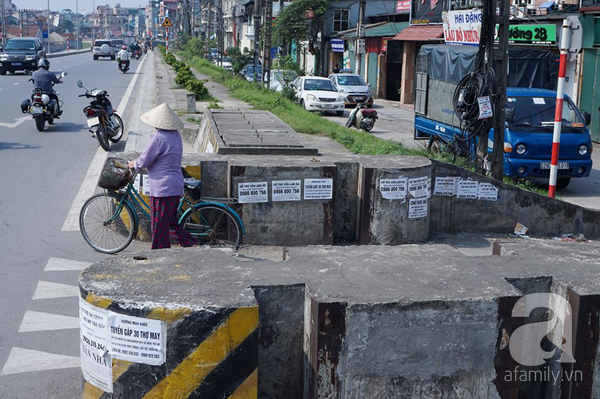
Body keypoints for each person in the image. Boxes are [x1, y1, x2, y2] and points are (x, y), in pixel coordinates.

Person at [127, 103, 197, 250]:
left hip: (162, 187)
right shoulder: (176, 135)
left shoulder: (158, 137)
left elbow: (146, 158)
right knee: (170, 223)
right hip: (175, 184)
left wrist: (134, 164)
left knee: (159, 227)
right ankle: (189, 243)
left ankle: (160, 255)